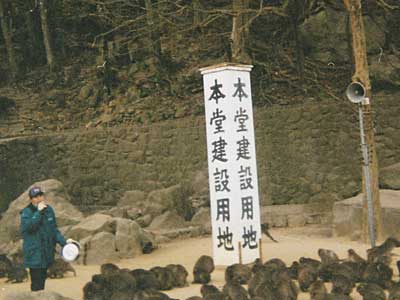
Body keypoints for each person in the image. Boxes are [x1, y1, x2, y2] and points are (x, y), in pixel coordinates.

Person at [19, 186, 73, 291]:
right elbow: (29, 228)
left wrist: (64, 243)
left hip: (46, 253)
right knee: (36, 283)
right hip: (34, 253)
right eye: (36, 197)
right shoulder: (26, 212)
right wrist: (38, 213)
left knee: (42, 282)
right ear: (31, 199)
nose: (39, 198)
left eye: (41, 195)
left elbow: (53, 230)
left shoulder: (49, 210)